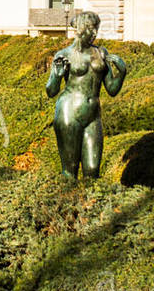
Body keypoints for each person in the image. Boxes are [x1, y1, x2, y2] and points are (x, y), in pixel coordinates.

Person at [45, 11, 127, 181]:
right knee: (70, 170)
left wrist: (122, 72)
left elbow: (111, 89)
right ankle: (67, 205)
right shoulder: (64, 55)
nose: (95, 33)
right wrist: (58, 76)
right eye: (91, 29)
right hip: (69, 112)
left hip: (93, 116)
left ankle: (89, 206)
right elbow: (51, 91)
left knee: (92, 169)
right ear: (81, 29)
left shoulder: (101, 53)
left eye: (96, 28)